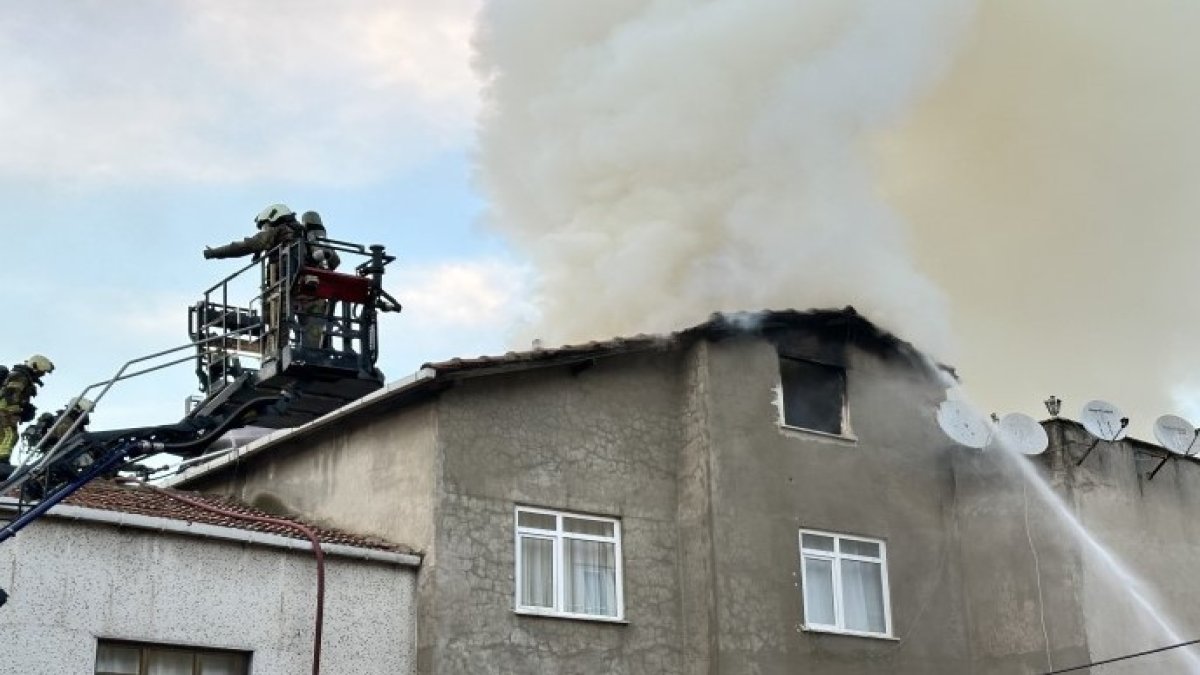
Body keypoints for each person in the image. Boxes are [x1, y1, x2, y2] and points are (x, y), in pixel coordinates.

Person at [203, 204, 307, 355]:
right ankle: (306, 349)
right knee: (300, 322)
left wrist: (215, 253)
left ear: (273, 218)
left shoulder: (278, 229)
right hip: (300, 284)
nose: (264, 230)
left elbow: (248, 245)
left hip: (282, 284)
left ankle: (278, 353)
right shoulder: (298, 235)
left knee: (278, 318)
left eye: (265, 226)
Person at [0, 354, 54, 477]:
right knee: (10, 435)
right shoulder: (20, 376)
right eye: (42, 372)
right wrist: (19, 410)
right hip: (5, 410)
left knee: (4, 436)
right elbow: (11, 394)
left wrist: (24, 408)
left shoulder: (23, 377)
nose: (42, 375)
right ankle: (2, 462)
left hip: (6, 410)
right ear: (35, 366)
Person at [295, 211, 341, 349]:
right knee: (317, 335)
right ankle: (321, 350)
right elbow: (335, 262)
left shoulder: (300, 240)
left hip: (304, 295)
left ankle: (313, 350)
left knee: (309, 336)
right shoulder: (321, 240)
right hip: (315, 295)